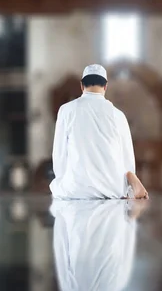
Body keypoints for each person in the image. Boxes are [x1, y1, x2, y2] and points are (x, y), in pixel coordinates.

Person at [49, 64, 148, 200]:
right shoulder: (118, 115)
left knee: (58, 185)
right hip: (112, 190)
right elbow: (127, 158)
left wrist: (62, 179)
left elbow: (59, 155)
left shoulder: (66, 110)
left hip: (76, 190)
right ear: (106, 86)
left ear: (82, 86)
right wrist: (127, 188)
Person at [51, 199, 146, 291]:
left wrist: (131, 216)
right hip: (77, 217)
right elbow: (61, 249)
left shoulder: (120, 284)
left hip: (111, 215)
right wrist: (60, 215)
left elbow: (128, 243)